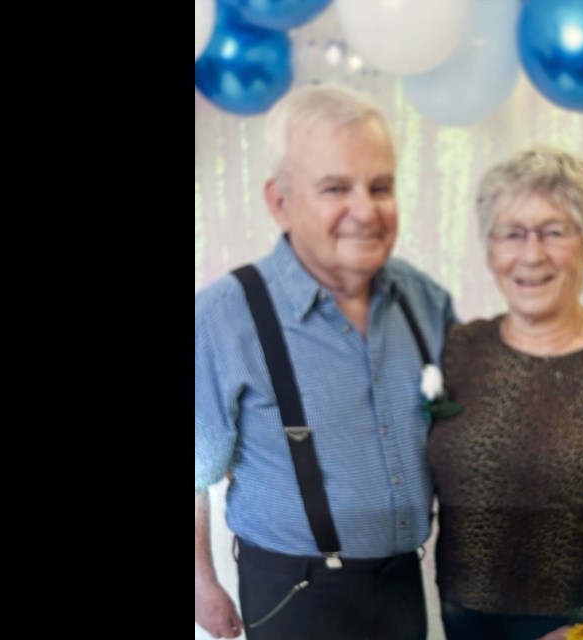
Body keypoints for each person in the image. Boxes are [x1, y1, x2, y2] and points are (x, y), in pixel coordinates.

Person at [195, 86, 456, 640]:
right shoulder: (222, 317)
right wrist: (201, 583)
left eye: (380, 186)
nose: (365, 211)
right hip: (294, 592)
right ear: (280, 201)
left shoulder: (426, 301)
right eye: (335, 187)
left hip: (403, 582)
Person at [428, 147, 583, 640]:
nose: (531, 254)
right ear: (490, 249)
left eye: (555, 231)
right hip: (459, 620)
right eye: (512, 233)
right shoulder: (456, 348)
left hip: (568, 628)